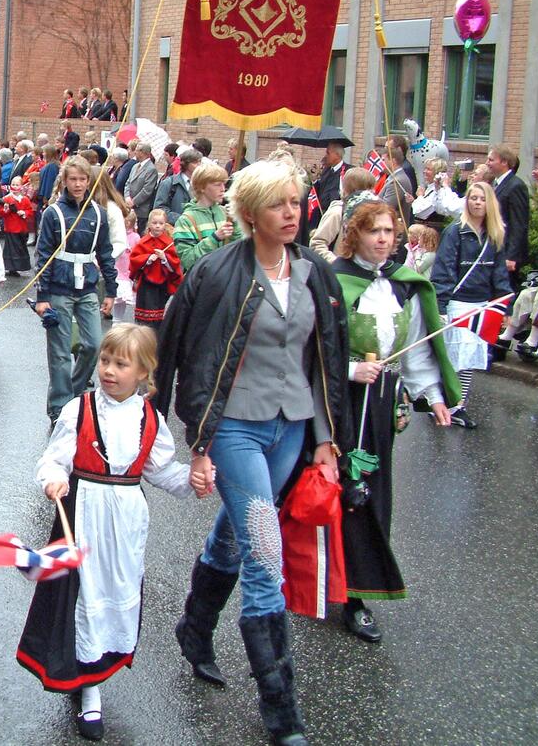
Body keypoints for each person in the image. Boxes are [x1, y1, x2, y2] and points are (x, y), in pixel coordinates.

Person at [155, 160, 352, 746]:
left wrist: (325, 438)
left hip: (291, 427)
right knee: (265, 554)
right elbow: (179, 347)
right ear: (249, 214)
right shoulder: (217, 272)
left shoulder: (316, 273)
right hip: (235, 428)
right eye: (278, 204)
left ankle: (194, 627)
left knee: (237, 531)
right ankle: (282, 712)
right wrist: (192, 439)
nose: (292, 213)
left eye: (296, 202)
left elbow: (326, 362)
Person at [17, 325, 191, 742]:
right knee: (82, 598)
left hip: (125, 524)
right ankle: (88, 690)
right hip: (81, 514)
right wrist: (54, 479)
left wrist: (197, 480)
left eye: (121, 364)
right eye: (105, 361)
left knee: (112, 596)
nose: (109, 370)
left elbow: (162, 470)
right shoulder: (80, 410)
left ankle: (96, 676)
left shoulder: (151, 418)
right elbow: (54, 458)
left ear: (144, 372)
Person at [331, 197, 457, 642]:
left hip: (381, 400)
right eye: (373, 231)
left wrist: (433, 396)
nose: (383, 240)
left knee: (370, 491)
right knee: (335, 485)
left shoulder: (404, 285)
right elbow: (313, 346)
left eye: (389, 232)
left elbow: (419, 347)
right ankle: (319, 577)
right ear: (354, 235)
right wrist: (349, 369)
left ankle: (356, 592)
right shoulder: (335, 280)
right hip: (337, 399)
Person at [34, 156, 118, 422]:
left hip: (88, 288)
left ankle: (76, 391)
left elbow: (105, 254)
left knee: (93, 344)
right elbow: (44, 255)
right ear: (65, 181)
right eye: (73, 179)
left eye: (83, 179)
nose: (79, 184)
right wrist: (42, 297)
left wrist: (112, 291)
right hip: (59, 287)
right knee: (59, 351)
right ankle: (59, 405)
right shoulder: (53, 213)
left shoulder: (98, 214)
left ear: (89, 181)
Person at [430, 181, 512, 429]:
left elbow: (499, 274)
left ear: (490, 203)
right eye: (473, 198)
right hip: (458, 300)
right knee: (456, 357)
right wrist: (441, 306)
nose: (477, 202)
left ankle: (457, 403)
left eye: (482, 198)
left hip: (482, 303)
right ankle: (450, 404)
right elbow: (443, 269)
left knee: (470, 358)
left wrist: (503, 306)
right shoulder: (455, 231)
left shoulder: (495, 234)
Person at [172, 162, 240, 272]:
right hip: (201, 284)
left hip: (225, 280)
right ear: (202, 187)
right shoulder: (186, 221)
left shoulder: (225, 214)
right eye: (217, 184)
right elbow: (187, 260)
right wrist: (214, 238)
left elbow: (239, 248)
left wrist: (236, 224)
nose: (223, 189)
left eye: (224, 184)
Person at [128, 208, 182, 329]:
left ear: (165, 225)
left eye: (161, 223)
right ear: (149, 224)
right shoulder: (143, 242)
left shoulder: (168, 243)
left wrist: (164, 258)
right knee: (144, 318)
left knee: (158, 317)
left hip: (161, 286)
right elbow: (134, 260)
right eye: (154, 223)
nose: (157, 226)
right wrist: (147, 259)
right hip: (146, 285)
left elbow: (175, 264)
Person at [309, 167, 377, 262]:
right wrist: (336, 263)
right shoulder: (338, 212)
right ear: (355, 190)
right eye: (368, 188)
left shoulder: (374, 213)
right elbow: (317, 243)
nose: (373, 192)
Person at [486, 144, 529, 288]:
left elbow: (519, 223)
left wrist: (512, 256)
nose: (487, 163)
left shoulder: (516, 186)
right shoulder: (496, 184)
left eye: (491, 160)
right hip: (494, 248)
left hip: (506, 253)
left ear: (504, 162)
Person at [410, 158, 462, 232]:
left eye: (428, 169)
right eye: (425, 168)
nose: (425, 171)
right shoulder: (430, 188)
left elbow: (420, 212)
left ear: (437, 173)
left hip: (431, 232)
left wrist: (420, 196)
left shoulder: (439, 191)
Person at [308, 142, 352, 229]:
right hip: (321, 214)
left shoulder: (348, 171)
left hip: (335, 216)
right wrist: (314, 181)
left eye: (328, 153)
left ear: (337, 155)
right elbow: (320, 189)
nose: (325, 156)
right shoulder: (326, 170)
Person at [152, 148, 202, 224]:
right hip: (175, 229)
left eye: (200, 162)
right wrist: (181, 219)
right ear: (185, 164)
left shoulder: (202, 184)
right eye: (195, 163)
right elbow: (159, 209)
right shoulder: (169, 183)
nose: (199, 166)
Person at [0, 176, 34, 276]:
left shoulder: (25, 199)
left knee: (20, 247)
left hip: (21, 228)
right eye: (13, 184)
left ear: (21, 186)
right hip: (10, 228)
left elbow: (30, 211)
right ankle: (11, 268)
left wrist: (24, 213)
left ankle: (19, 266)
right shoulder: (6, 199)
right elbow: (1, 212)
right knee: (11, 250)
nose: (14, 186)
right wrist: (6, 210)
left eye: (17, 184)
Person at [124, 141, 160, 234]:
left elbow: (147, 190)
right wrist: (127, 197)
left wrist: (134, 202)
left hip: (141, 211)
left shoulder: (151, 169)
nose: (135, 152)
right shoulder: (135, 166)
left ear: (145, 153)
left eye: (137, 150)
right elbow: (128, 183)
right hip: (129, 208)